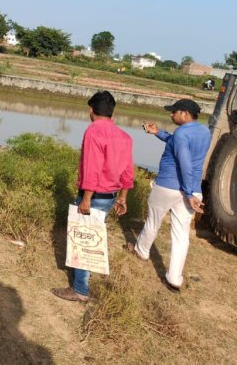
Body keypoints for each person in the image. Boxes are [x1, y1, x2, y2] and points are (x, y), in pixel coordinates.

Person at [52, 90, 134, 303]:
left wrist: (86, 198)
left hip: (94, 195)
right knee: (92, 236)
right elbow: (127, 171)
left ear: (91, 110)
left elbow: (92, 168)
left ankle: (80, 289)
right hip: (110, 197)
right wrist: (122, 197)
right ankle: (85, 278)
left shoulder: (93, 132)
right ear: (112, 112)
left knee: (83, 239)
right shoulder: (124, 136)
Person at [127, 98, 210, 291]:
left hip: (169, 186)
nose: (170, 115)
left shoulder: (181, 133)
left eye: (174, 112)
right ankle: (174, 279)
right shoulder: (204, 131)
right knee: (181, 234)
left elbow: (184, 161)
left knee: (153, 221)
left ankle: (141, 251)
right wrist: (158, 133)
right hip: (193, 189)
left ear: (185, 113)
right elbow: (177, 144)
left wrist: (188, 192)